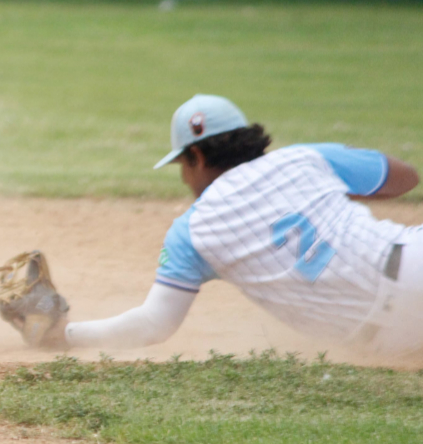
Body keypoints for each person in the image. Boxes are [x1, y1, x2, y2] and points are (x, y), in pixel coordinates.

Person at [49, 94, 421, 360]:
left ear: (196, 156)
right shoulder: (305, 159)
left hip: (388, 342)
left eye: (182, 164)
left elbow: (152, 326)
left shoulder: (192, 231)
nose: (184, 177)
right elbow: (406, 178)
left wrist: (63, 334)